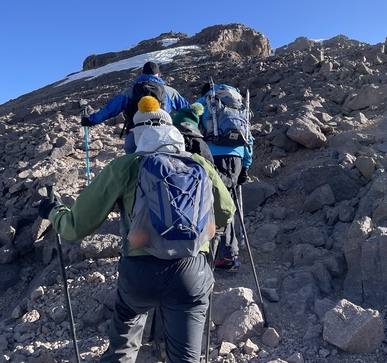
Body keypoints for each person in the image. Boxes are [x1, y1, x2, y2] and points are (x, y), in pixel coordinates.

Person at [39, 96, 236, 363]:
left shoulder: (126, 166)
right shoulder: (199, 164)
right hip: (191, 272)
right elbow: (227, 212)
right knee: (187, 358)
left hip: (140, 272)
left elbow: (75, 227)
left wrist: (54, 211)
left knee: (122, 348)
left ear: (137, 134)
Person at [196, 82, 253, 272]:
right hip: (236, 156)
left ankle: (223, 254)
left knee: (216, 202)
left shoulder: (205, 102)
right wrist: (245, 166)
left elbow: (193, 129)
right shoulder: (238, 104)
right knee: (230, 202)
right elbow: (248, 137)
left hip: (212, 156)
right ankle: (229, 253)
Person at [80, 61, 190, 154]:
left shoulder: (130, 91)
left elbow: (110, 110)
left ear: (142, 74)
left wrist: (90, 120)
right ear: (159, 75)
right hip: (163, 134)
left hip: (135, 134)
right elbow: (188, 111)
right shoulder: (170, 92)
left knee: (134, 169)